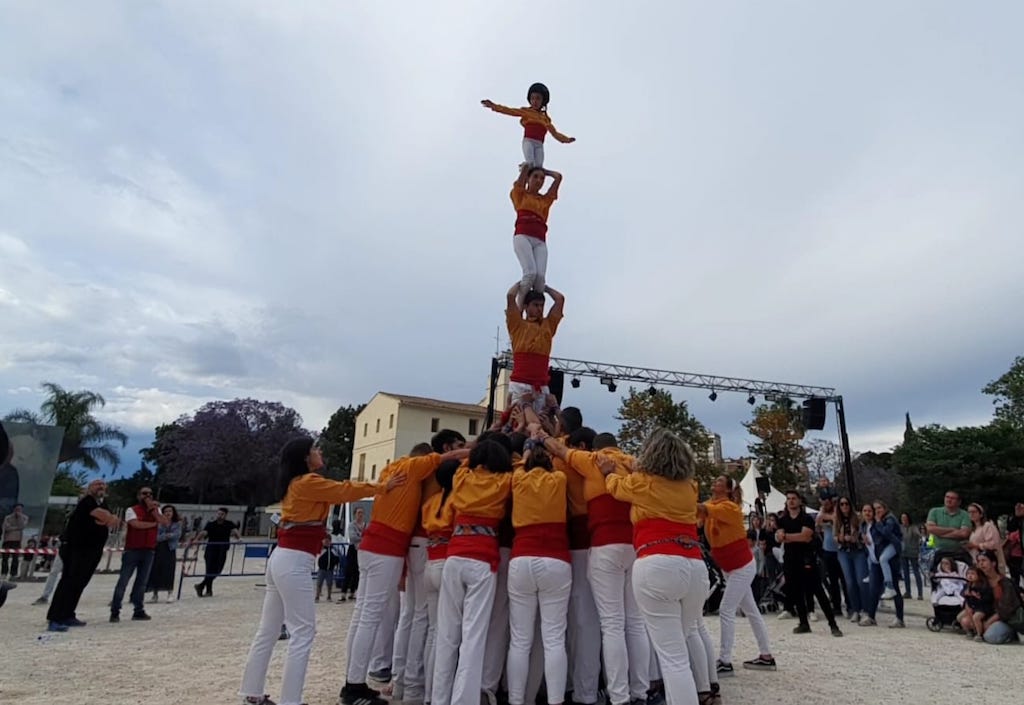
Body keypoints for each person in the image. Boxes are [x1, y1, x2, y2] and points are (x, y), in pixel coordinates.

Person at [239, 437, 402, 705]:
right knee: (303, 632)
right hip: (294, 560)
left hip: (282, 557)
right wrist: (382, 487)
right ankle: (291, 700)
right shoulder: (308, 482)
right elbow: (344, 491)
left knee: (268, 631)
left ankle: (251, 693)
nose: (320, 452)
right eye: (315, 449)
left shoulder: (295, 483)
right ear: (305, 457)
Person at [341, 440, 469, 705]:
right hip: (386, 548)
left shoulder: (392, 468)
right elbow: (450, 455)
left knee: (363, 613)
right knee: (372, 616)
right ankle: (354, 687)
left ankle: (353, 679)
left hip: (372, 544)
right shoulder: (414, 466)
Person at [601, 427, 710, 705]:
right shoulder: (690, 487)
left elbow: (615, 487)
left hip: (657, 563)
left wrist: (609, 471)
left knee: (672, 658)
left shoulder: (642, 482)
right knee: (678, 654)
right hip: (695, 567)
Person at [545, 431, 651, 705]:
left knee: (612, 624)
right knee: (636, 623)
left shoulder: (593, 459)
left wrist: (539, 433)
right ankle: (641, 692)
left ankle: (619, 697)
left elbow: (558, 448)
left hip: (604, 545)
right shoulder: (635, 462)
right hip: (635, 546)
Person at [431, 440, 514, 705]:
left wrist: (471, 453)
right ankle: (464, 700)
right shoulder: (504, 481)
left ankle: (438, 698)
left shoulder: (461, 476)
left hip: (454, 555)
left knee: (446, 634)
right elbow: (520, 467)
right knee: (473, 636)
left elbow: (460, 461)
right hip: (483, 559)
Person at [503, 438, 571, 705]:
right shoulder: (560, 480)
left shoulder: (518, 479)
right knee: (554, 638)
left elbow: (520, 463)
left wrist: (529, 442)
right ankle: (556, 700)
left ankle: (516, 700)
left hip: (522, 558)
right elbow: (560, 460)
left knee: (520, 640)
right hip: (556, 559)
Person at [698, 476, 776, 677]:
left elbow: (701, 510)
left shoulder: (730, 507)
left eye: (720, 481)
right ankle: (766, 655)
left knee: (726, 609)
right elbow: (698, 516)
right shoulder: (712, 505)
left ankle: (724, 660)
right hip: (731, 566)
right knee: (751, 611)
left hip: (741, 566)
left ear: (728, 490)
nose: (715, 482)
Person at [46, 480, 121, 631]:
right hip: (77, 549)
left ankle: (68, 613)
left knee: (80, 582)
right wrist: (106, 518)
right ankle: (56, 617)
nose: (100, 486)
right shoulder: (87, 502)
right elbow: (106, 517)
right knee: (69, 581)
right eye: (96, 484)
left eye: (103, 484)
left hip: (93, 550)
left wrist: (108, 518)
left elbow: (115, 521)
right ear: (89, 488)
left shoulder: (102, 503)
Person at [776, 490, 843, 637]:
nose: (791, 501)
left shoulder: (806, 519)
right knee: (797, 592)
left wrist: (787, 536)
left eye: (794, 498)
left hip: (806, 559)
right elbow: (779, 537)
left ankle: (833, 624)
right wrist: (789, 537)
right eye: (788, 499)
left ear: (800, 501)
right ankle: (803, 623)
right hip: (790, 560)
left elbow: (805, 537)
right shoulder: (783, 520)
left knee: (818, 592)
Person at [505, 283, 566, 416]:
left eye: (541, 305)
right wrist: (524, 281)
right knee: (517, 420)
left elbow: (560, 299)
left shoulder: (548, 325)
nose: (540, 309)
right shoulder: (517, 324)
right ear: (526, 307)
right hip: (520, 383)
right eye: (535, 305)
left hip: (541, 385)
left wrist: (545, 287)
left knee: (540, 425)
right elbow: (510, 296)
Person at [481, 82, 575, 168]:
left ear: (542, 101)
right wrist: (494, 106)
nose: (535, 101)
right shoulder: (526, 111)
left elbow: (555, 133)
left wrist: (566, 139)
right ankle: (524, 170)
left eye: (538, 98)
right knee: (530, 163)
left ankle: (534, 182)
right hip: (528, 141)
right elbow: (509, 111)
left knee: (539, 166)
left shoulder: (545, 119)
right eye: (532, 98)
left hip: (539, 144)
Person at [110, 486, 168, 622]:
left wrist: (154, 511)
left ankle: (138, 610)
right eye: (144, 494)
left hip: (149, 550)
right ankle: (115, 611)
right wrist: (153, 524)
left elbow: (165, 522)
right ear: (138, 496)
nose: (147, 496)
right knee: (123, 581)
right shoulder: (132, 510)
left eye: (150, 494)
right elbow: (135, 524)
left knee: (142, 582)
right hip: (132, 549)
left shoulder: (155, 510)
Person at [508, 164, 563, 306]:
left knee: (540, 279)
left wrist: (545, 170)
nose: (539, 180)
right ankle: (519, 310)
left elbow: (558, 177)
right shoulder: (520, 195)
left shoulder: (545, 200)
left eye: (542, 178)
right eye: (536, 177)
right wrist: (526, 169)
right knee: (530, 273)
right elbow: (519, 184)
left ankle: (536, 312)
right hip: (523, 236)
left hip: (540, 240)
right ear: (528, 179)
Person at [865, 501, 905, 628]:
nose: (877, 511)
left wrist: (878, 522)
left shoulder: (887, 520)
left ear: (885, 508)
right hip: (876, 558)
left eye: (879, 508)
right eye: (874, 508)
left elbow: (886, 534)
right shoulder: (868, 524)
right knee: (873, 589)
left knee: (894, 588)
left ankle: (899, 618)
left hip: (889, 556)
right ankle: (871, 616)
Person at [975, 550, 1024, 644]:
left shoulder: (1005, 583)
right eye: (979, 561)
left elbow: (1006, 609)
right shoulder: (981, 582)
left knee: (990, 636)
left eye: (984, 560)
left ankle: (1013, 632)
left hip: (1007, 618)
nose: (981, 564)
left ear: (993, 563)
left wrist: (989, 622)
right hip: (988, 614)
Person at [834, 497, 870, 623]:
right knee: (849, 582)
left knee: (861, 581)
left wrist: (856, 538)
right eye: (842, 504)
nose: (844, 506)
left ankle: (866, 610)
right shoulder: (837, 520)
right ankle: (855, 609)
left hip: (858, 551)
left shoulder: (858, 518)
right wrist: (841, 538)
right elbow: (835, 536)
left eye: (846, 504)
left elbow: (864, 533)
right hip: (844, 551)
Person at [192, 508, 241, 597]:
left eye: (222, 514)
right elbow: (204, 532)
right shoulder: (211, 524)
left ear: (225, 515)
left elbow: (235, 531)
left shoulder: (229, 524)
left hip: (222, 550)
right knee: (209, 570)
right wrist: (196, 539)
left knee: (218, 570)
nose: (219, 516)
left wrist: (239, 538)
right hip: (211, 549)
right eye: (218, 514)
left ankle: (201, 586)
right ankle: (208, 591)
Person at [814, 492, 848, 616]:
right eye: (823, 503)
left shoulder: (837, 511)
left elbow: (835, 518)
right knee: (833, 580)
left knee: (845, 579)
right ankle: (837, 606)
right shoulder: (822, 512)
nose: (825, 505)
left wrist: (825, 515)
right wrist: (823, 515)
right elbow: (818, 522)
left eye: (827, 503)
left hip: (840, 549)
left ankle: (850, 605)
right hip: (828, 550)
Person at [925, 490, 972, 569]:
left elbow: (964, 534)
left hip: (957, 553)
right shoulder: (934, 512)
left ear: (959, 502)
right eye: (947, 497)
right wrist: (953, 530)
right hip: (938, 552)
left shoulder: (964, 514)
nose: (949, 500)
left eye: (952, 498)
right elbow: (930, 529)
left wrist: (939, 533)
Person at [148, 504, 182, 603]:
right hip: (158, 549)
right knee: (156, 570)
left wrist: (166, 536)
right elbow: (156, 536)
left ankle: (170, 593)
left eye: (170, 511)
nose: (168, 513)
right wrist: (166, 536)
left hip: (170, 549)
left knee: (169, 571)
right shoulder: (158, 523)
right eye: (165, 511)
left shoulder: (177, 524)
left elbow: (177, 535)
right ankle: (155, 594)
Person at [966, 503, 1006, 575]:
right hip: (977, 562)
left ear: (981, 514)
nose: (971, 514)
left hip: (990, 563)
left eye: (974, 512)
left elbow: (993, 544)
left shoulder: (987, 526)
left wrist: (975, 545)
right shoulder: (974, 530)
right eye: (969, 512)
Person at [959, 566, 994, 640]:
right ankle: (969, 632)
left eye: (973, 574)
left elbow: (988, 598)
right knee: (963, 620)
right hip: (973, 606)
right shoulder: (968, 585)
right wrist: (965, 593)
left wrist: (979, 597)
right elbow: (961, 592)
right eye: (968, 573)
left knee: (976, 617)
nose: (970, 575)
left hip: (982, 607)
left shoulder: (983, 586)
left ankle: (979, 634)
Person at [341, 507, 365, 601]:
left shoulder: (365, 525)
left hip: (361, 549)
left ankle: (353, 591)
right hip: (352, 549)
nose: (360, 514)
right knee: (348, 571)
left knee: (357, 572)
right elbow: (352, 537)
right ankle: (343, 592)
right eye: (359, 512)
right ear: (355, 514)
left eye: (362, 513)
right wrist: (362, 537)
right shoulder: (352, 525)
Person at [899, 513, 924, 600]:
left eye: (905, 518)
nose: (904, 519)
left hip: (913, 552)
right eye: (902, 518)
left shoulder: (913, 527)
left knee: (916, 572)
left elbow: (919, 535)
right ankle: (907, 592)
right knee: (905, 573)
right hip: (903, 552)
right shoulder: (900, 527)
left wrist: (921, 535)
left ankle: (920, 593)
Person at [1, 503, 29, 579]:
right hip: (7, 540)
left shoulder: (24, 517)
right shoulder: (8, 517)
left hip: (17, 540)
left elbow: (22, 526)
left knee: (15, 558)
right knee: (5, 558)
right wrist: (17, 528)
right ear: (14, 509)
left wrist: (19, 517)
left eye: (20, 509)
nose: (18, 510)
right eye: (17, 509)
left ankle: (13, 573)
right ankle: (4, 573)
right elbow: (6, 528)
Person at [1005, 502, 1024, 589]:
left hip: (1019, 552)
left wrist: (1012, 537)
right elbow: (1009, 531)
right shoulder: (1013, 519)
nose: (1018, 509)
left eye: (1020, 508)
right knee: (1015, 577)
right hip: (1013, 554)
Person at [315, 536, 339, 602]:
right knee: (319, 583)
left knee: (329, 583)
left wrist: (335, 564)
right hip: (322, 569)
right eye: (325, 541)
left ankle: (329, 596)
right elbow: (318, 557)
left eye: (328, 541)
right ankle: (317, 596)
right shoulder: (321, 549)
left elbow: (337, 558)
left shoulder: (333, 549)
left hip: (330, 569)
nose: (327, 542)